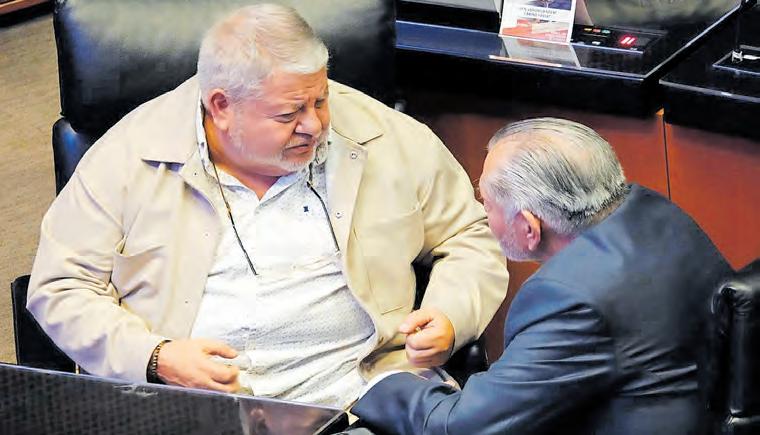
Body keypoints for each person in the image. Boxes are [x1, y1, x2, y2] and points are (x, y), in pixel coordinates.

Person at [26, 4, 508, 409]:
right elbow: (61, 287)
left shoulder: (382, 134)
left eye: (320, 100)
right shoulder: (128, 157)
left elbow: (469, 235)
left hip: (365, 394)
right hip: (195, 406)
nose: (314, 125)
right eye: (289, 113)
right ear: (221, 106)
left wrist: (450, 314)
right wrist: (156, 356)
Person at [352, 118, 732, 434]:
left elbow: (462, 427)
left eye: (487, 203)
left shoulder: (570, 298)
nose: (483, 214)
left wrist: (380, 384)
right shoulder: (656, 211)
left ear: (529, 227)